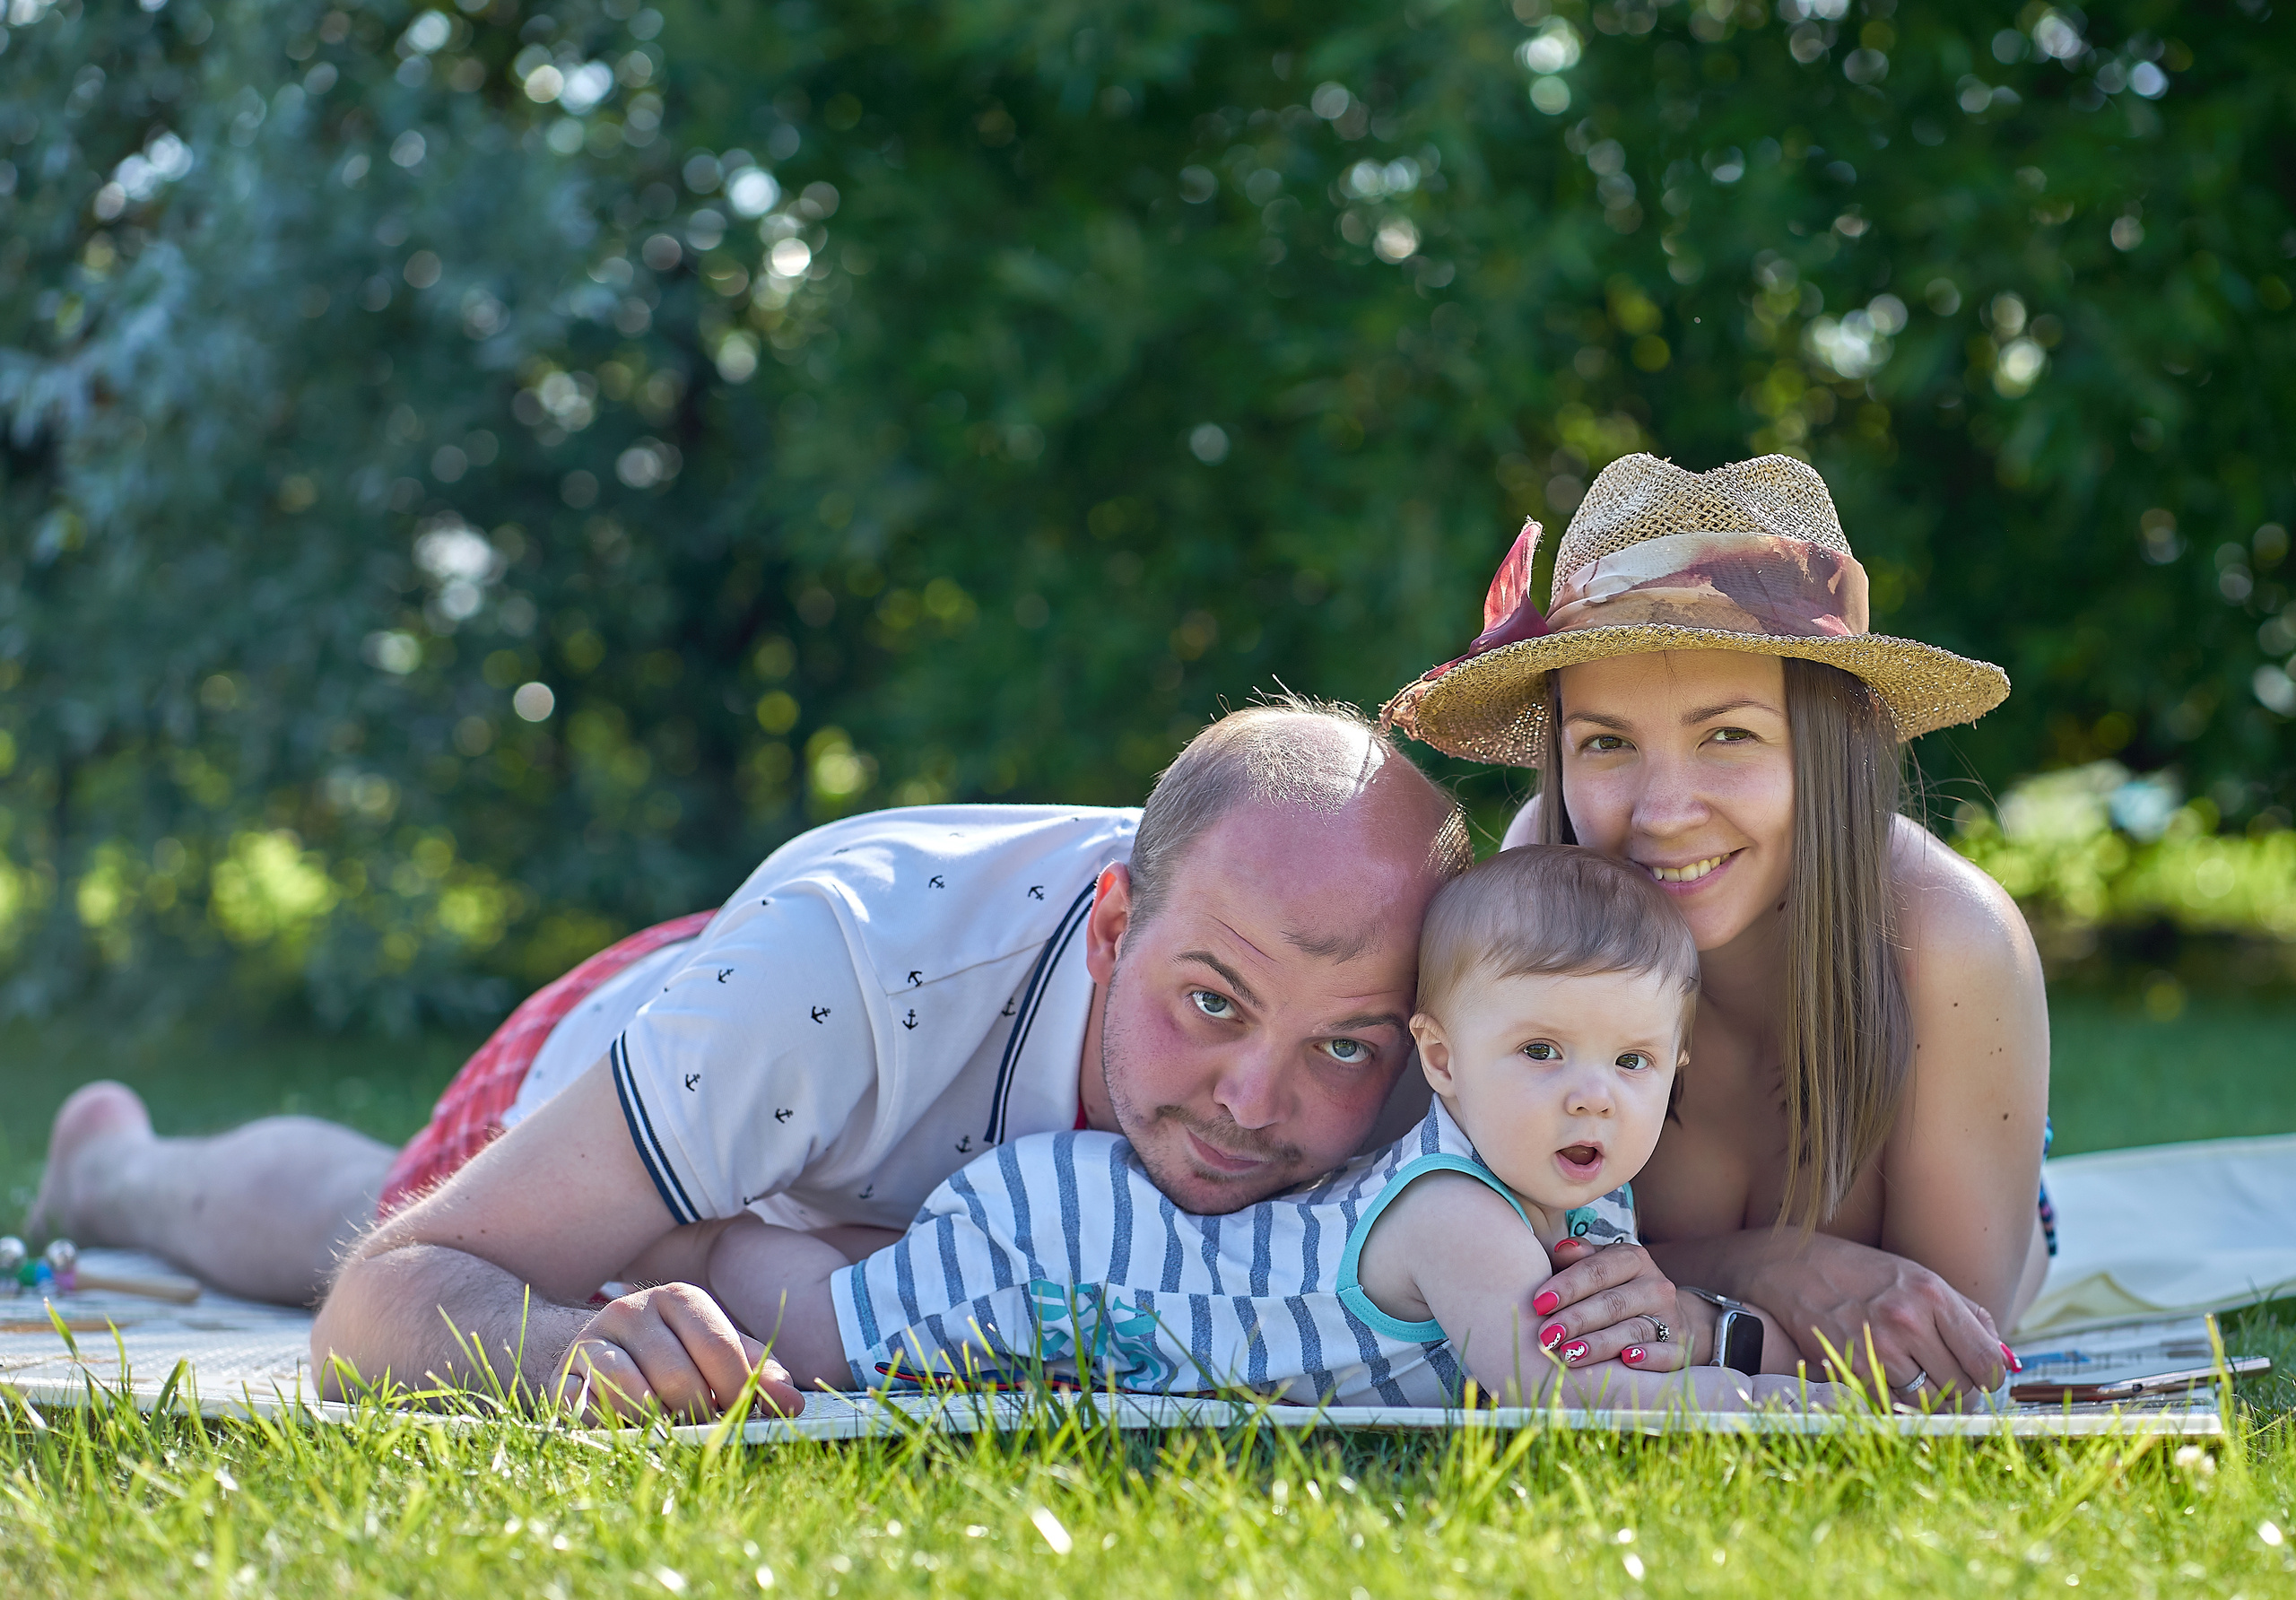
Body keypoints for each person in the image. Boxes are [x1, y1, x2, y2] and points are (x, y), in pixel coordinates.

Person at [47, 698, 1662, 1416]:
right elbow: (381, 1303)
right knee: (368, 1192)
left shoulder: (1417, 998)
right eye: (1211, 1004)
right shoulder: (833, 979)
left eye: (1347, 1047)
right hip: (676, 1028)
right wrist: (569, 1354)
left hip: (833, 1175)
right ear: (1112, 926)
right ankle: (114, 1168)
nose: (1258, 1102)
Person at [703, 847, 1841, 1413]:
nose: (1591, 1092)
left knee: (875, 1272)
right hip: (1071, 1252)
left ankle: (735, 1252)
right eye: (1541, 1051)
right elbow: (1567, 1399)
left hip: (1110, 1245)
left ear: (1672, 1070)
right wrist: (1790, 1401)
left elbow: (1634, 1349)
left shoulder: (1578, 1193)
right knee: (822, 1339)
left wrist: (1735, 1343)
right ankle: (698, 1251)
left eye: (1631, 1061)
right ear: (1439, 1059)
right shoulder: (1457, 1213)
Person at [1379, 453, 2049, 1407]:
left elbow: (1943, 1356)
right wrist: (1775, 1269)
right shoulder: (1546, 885)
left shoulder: (1950, 942)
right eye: (1606, 742)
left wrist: (1695, 1290)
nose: (1663, 811)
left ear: (1834, 743)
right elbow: (1493, 1235)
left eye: (1727, 734)